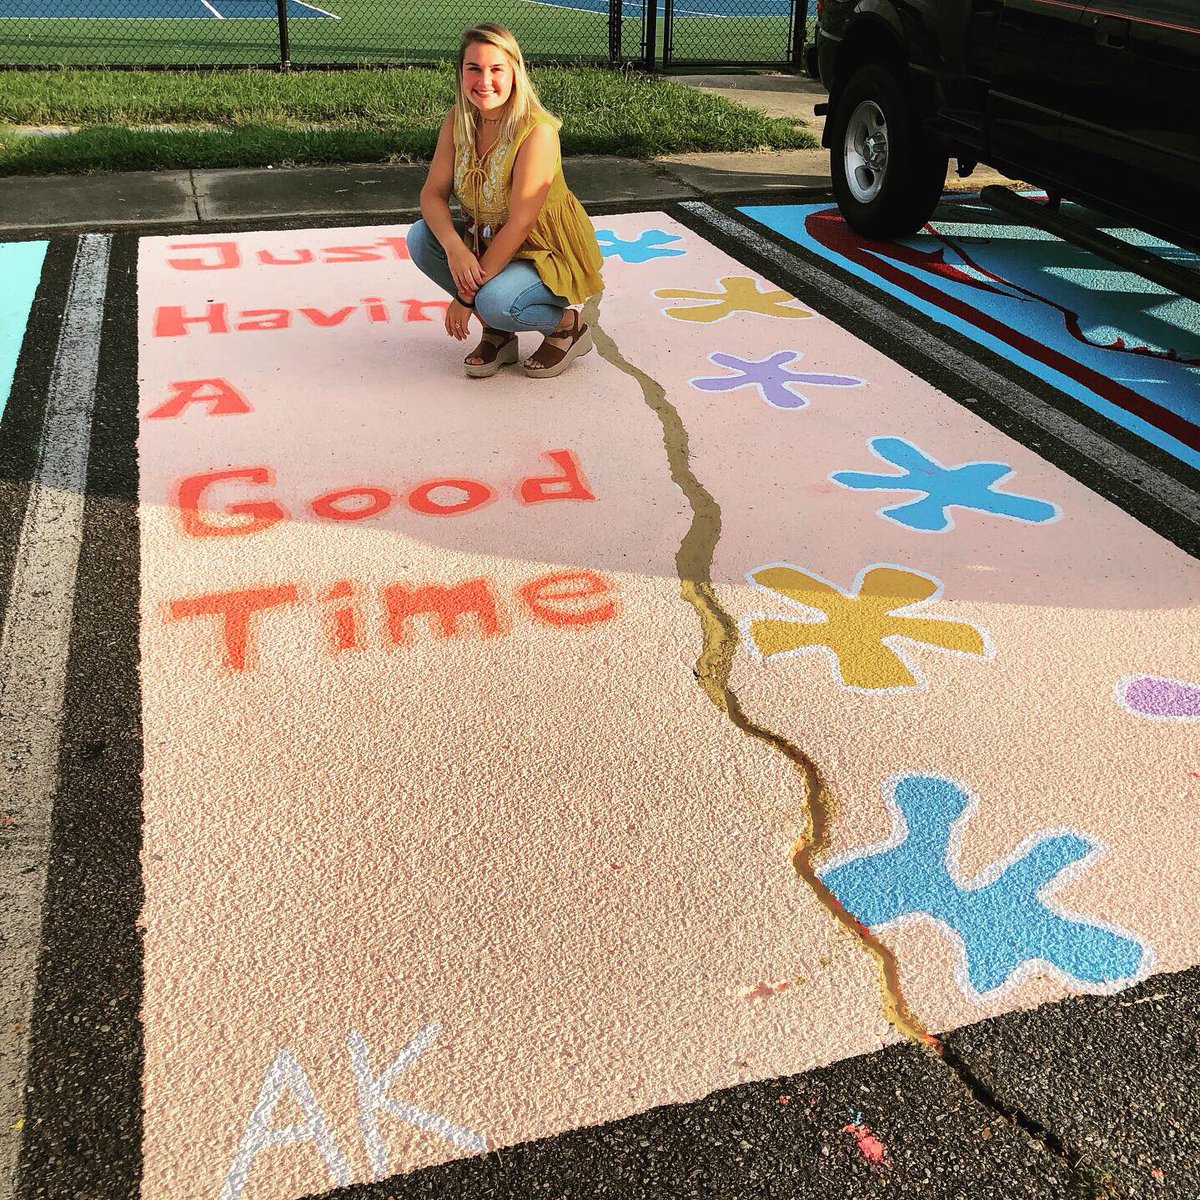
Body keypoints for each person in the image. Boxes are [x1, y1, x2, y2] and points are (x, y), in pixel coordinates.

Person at [407, 23, 605, 380]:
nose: (484, 80)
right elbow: (432, 195)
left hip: (542, 250)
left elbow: (520, 223)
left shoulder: (536, 132)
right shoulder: (459, 120)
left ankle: (566, 326)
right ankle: (498, 333)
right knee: (421, 238)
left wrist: (466, 298)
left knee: (495, 302)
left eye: (496, 69)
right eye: (474, 68)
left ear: (515, 72)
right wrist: (455, 248)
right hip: (486, 240)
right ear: (461, 72)